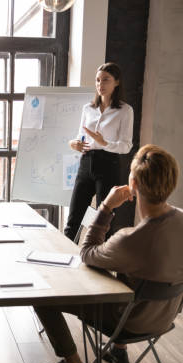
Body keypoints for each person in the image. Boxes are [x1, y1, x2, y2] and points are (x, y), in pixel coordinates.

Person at [35, 144, 183, 363]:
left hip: (129, 322)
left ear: (133, 184)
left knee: (43, 297)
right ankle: (117, 350)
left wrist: (105, 207)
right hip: (165, 317)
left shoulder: (131, 240)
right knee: (132, 273)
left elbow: (87, 252)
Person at [64, 62, 134, 241]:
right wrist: (74, 143)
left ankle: (100, 265)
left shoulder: (125, 111)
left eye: (106, 80)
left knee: (105, 222)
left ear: (116, 82)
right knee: (73, 219)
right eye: (97, 80)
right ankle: (65, 261)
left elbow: (126, 146)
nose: (100, 84)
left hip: (109, 164)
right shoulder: (88, 108)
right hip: (86, 162)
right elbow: (80, 136)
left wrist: (105, 143)